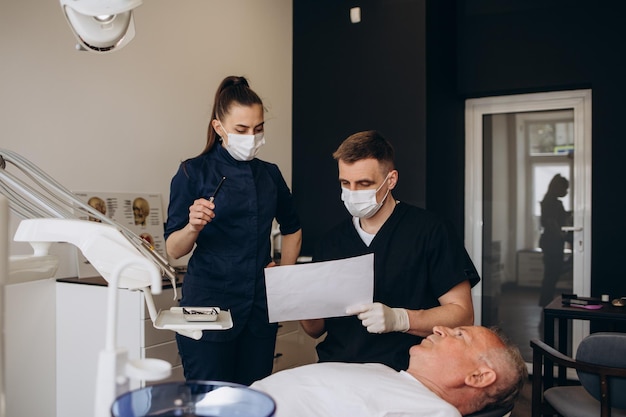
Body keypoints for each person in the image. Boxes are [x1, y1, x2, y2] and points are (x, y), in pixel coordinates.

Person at [300, 130, 479, 371]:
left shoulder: (431, 231)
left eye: (364, 184)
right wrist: (301, 303)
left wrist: (401, 319)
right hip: (338, 368)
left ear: (391, 180)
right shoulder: (331, 242)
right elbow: (315, 330)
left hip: (407, 370)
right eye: (345, 183)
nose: (353, 193)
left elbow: (463, 314)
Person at [164, 75, 302, 385]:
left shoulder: (270, 175)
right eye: (241, 130)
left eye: (258, 128)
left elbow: (293, 228)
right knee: (211, 399)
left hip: (258, 306)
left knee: (253, 395)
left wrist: (285, 275)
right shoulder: (192, 171)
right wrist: (193, 226)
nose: (251, 137)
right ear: (218, 127)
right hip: (208, 302)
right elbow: (173, 249)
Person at [251, 325, 527, 417]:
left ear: (478, 376)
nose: (440, 328)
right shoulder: (385, 372)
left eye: (458, 335)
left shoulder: (435, 413)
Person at [538, 173, 572, 307]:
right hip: (552, 243)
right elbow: (551, 222)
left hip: (551, 242)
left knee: (552, 273)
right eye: (565, 189)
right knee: (552, 273)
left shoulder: (552, 201)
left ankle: (546, 301)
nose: (566, 192)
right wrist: (561, 235)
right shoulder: (551, 202)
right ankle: (546, 302)